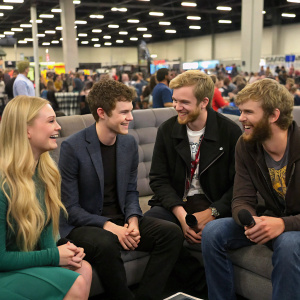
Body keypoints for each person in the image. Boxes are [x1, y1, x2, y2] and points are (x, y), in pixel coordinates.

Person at [58, 79, 183, 300]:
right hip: (85, 224)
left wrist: (133, 220)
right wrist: (110, 227)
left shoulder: (128, 144)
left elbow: (131, 193)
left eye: (131, 111)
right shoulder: (73, 148)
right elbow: (70, 209)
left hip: (121, 219)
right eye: (124, 112)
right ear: (102, 112)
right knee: (106, 242)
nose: (131, 118)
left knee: (171, 233)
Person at [202, 78, 300, 300]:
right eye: (240, 111)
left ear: (274, 115)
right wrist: (251, 221)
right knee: (212, 232)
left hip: (295, 227)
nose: (241, 118)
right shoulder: (246, 144)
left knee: (288, 242)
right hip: (269, 218)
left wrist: (284, 224)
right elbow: (241, 198)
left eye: (248, 112)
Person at [145, 70, 241, 274]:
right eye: (174, 100)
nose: (177, 107)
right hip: (176, 203)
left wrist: (213, 213)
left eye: (184, 102)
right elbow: (159, 179)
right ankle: (194, 280)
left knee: (213, 234)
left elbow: (239, 185)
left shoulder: (230, 132)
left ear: (204, 102)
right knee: (149, 227)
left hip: (213, 202)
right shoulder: (167, 130)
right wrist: (181, 216)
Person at [0, 96, 92, 299]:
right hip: (3, 273)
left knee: (83, 268)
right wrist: (54, 256)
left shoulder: (46, 175)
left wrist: (64, 255)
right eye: (51, 121)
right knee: (76, 282)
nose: (59, 126)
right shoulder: (3, 184)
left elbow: (46, 241)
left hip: (22, 266)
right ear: (27, 130)